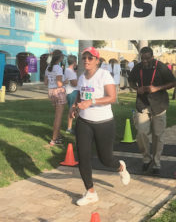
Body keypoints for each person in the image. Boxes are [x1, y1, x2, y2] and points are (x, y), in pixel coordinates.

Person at [70, 47, 130, 206]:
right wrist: (74, 106)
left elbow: (112, 97)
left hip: (104, 123)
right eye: (84, 58)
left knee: (106, 159)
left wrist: (92, 102)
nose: (86, 61)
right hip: (84, 122)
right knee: (83, 158)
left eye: (90, 58)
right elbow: (80, 94)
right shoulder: (82, 77)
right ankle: (90, 192)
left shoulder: (104, 75)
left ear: (97, 60)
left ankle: (120, 167)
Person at [128, 47, 176, 175]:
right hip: (142, 104)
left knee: (158, 135)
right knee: (141, 133)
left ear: (152, 57)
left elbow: (173, 82)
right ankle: (146, 158)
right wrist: (136, 88)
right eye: (142, 58)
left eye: (147, 58)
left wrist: (156, 88)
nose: (144, 61)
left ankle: (156, 162)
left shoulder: (160, 67)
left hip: (159, 105)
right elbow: (131, 80)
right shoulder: (138, 68)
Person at [44, 50, 66, 146]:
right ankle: (54, 139)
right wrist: (66, 82)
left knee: (57, 115)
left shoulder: (48, 67)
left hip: (50, 92)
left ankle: (58, 135)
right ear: (59, 58)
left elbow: (45, 83)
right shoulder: (58, 68)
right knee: (58, 117)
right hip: (59, 92)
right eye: (62, 57)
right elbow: (59, 83)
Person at [64, 55, 78, 134]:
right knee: (72, 110)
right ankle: (69, 128)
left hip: (70, 92)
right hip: (72, 92)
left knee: (73, 110)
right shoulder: (70, 71)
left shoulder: (68, 70)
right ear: (74, 62)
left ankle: (70, 128)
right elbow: (74, 84)